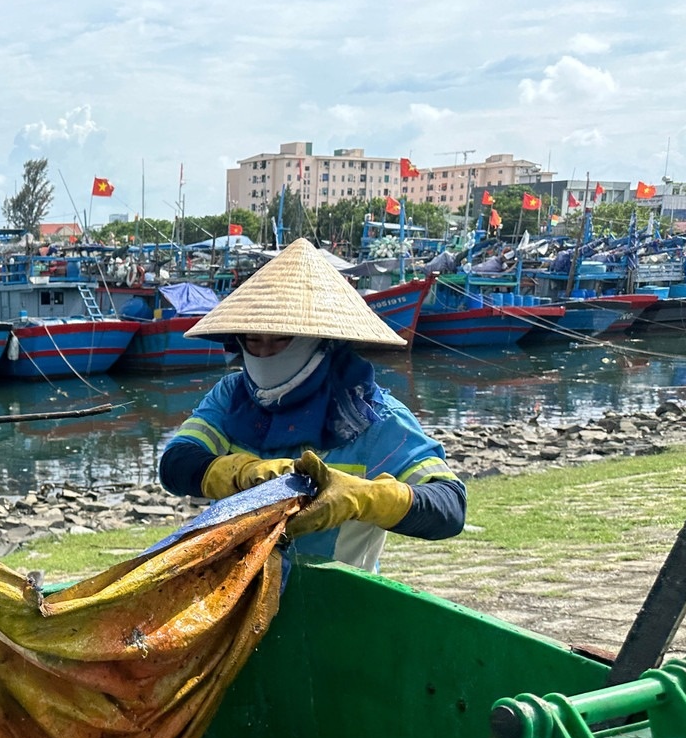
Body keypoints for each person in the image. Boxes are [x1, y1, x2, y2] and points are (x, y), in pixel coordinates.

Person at [159, 238, 465, 571]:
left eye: (279, 339)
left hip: (336, 602)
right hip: (232, 589)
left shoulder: (374, 417)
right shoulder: (231, 395)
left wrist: (362, 498)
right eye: (253, 340)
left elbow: (449, 506)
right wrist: (243, 473)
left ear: (320, 341)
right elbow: (176, 463)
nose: (263, 353)